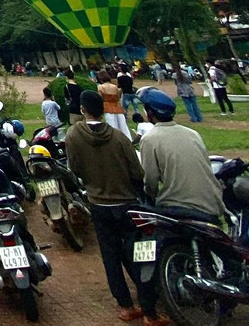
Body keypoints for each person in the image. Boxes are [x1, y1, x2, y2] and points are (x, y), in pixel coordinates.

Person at [65, 89, 162, 326]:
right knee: (140, 256)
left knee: (110, 257)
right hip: (127, 204)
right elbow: (137, 173)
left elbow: (74, 169)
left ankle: (127, 306)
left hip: (98, 204)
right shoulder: (119, 137)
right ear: (104, 109)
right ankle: (150, 312)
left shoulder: (73, 136)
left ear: (82, 109)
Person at [138, 88, 225, 221]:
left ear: (150, 112)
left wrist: (149, 197)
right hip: (212, 202)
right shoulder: (192, 133)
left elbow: (150, 181)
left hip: (178, 205)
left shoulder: (149, 139)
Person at [97, 71, 131, 139]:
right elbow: (118, 97)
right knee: (123, 127)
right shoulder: (115, 87)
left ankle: (115, 140)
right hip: (117, 107)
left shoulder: (100, 87)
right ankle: (128, 140)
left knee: (112, 126)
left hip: (107, 107)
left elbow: (100, 98)